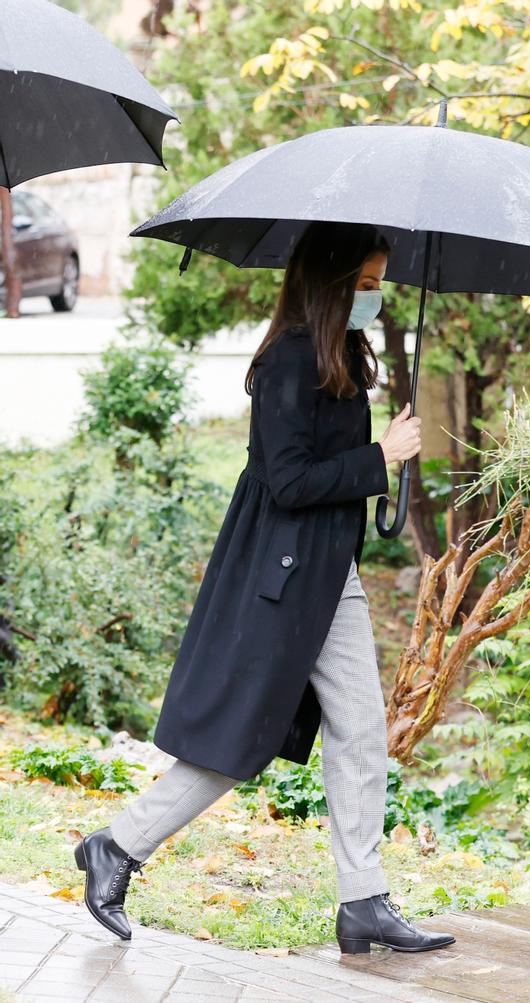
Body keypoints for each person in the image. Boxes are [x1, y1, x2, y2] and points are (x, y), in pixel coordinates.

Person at [74, 220, 456, 956]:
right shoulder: (287, 362)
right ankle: (115, 847)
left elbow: (335, 470)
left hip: (328, 577)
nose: (374, 298)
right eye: (367, 283)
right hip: (279, 579)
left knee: (361, 732)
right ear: (331, 281)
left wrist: (383, 460)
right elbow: (285, 480)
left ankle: (363, 898)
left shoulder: (343, 351)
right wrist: (378, 456)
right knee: (236, 742)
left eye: (381, 285)